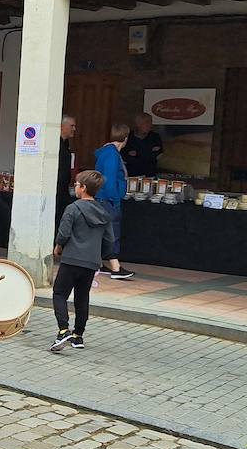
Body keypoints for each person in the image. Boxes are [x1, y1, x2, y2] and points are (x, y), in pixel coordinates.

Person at [51, 169, 128, 351]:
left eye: (77, 184)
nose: (75, 187)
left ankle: (63, 330)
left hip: (71, 259)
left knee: (59, 294)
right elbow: (109, 240)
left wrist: (58, 247)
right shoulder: (103, 212)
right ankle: (78, 336)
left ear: (83, 188)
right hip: (91, 262)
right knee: (82, 297)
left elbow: (64, 233)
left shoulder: (73, 208)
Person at [93, 124, 134, 280]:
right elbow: (108, 180)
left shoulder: (106, 152)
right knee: (112, 232)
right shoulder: (112, 154)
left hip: (102, 198)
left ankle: (97, 263)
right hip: (108, 200)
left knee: (102, 232)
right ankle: (115, 268)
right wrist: (115, 198)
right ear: (125, 138)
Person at [124, 112, 164, 178]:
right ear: (138, 124)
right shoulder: (128, 137)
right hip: (132, 176)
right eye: (147, 122)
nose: (150, 125)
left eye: (151, 122)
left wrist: (137, 155)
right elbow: (125, 157)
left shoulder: (155, 137)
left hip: (150, 176)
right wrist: (148, 153)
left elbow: (158, 155)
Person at [57, 115, 77, 225]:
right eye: (72, 126)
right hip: (56, 189)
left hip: (64, 189)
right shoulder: (55, 144)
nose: (74, 129)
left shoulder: (66, 144)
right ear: (62, 126)